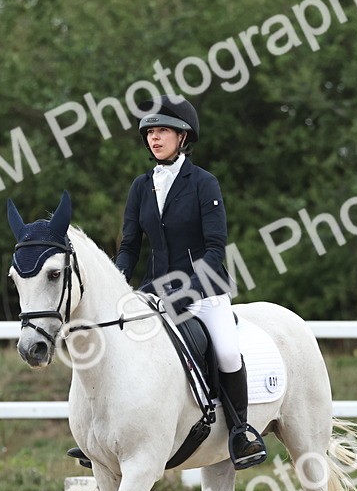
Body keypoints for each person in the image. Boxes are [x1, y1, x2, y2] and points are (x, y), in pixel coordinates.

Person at [70, 94, 267, 470]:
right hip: (151, 293)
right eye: (150, 132)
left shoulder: (204, 184)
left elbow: (215, 249)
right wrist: (112, 287)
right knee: (114, 348)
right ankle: (102, 437)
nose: (154, 138)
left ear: (183, 137)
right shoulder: (140, 187)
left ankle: (241, 431)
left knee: (226, 350)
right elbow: (128, 247)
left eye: (163, 131)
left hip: (203, 291)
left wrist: (186, 290)